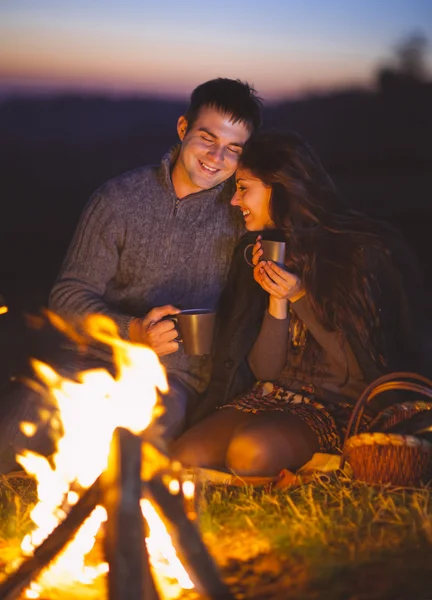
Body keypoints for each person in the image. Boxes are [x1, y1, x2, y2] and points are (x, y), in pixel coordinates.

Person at [0, 78, 263, 474]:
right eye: (207, 138)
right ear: (182, 129)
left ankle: (111, 529)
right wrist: (133, 330)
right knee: (20, 421)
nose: (216, 156)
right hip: (90, 358)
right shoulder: (119, 199)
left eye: (232, 149)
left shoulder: (240, 214)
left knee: (134, 451)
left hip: (178, 376)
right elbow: (68, 296)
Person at [172, 131, 429, 476]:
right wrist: (277, 302)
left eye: (244, 188)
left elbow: (360, 369)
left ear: (281, 188)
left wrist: (300, 297)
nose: (235, 201)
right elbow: (266, 372)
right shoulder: (263, 251)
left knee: (250, 453)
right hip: (274, 395)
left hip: (338, 406)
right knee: (186, 454)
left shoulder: (357, 254)